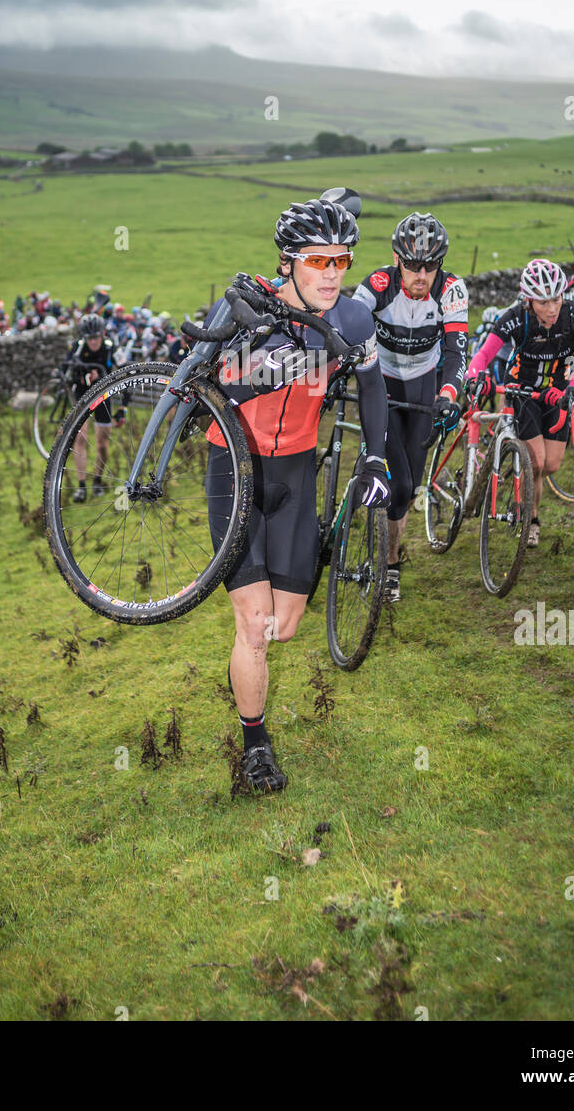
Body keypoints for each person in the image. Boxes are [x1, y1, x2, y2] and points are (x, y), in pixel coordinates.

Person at [204, 195, 388, 794]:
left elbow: (374, 388)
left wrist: (376, 458)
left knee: (285, 624)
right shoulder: (241, 308)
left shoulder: (353, 320)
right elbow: (206, 382)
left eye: (342, 260)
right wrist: (268, 359)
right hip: (236, 468)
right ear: (288, 264)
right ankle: (256, 747)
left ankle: (246, 672)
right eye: (318, 261)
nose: (333, 273)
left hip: (297, 473)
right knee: (254, 624)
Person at [352, 211, 468, 603]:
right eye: (413, 266)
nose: (421, 275)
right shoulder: (378, 285)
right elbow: (346, 326)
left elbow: (456, 352)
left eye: (430, 266)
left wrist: (449, 394)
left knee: (408, 489)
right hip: (380, 381)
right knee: (396, 479)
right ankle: (389, 566)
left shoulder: (451, 291)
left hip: (424, 385)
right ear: (397, 260)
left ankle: (393, 554)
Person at [466, 259, 574, 547]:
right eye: (543, 301)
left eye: (556, 299)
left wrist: (571, 390)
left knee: (552, 465)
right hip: (523, 391)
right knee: (535, 462)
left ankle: (522, 481)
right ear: (528, 299)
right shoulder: (514, 316)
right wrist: (475, 376)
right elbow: (484, 355)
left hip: (557, 394)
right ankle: (531, 519)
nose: (552, 308)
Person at [70, 314, 118, 503]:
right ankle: (81, 486)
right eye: (90, 338)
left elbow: (123, 372)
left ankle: (97, 479)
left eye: (96, 336)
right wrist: (83, 377)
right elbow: (67, 373)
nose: (93, 341)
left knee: (102, 443)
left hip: (103, 396)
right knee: (80, 438)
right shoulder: (78, 347)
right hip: (82, 394)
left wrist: (122, 409)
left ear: (103, 334)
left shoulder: (109, 347)